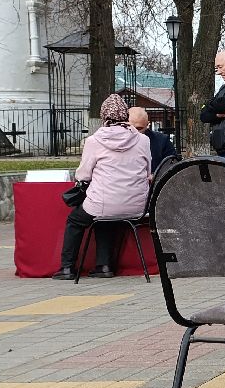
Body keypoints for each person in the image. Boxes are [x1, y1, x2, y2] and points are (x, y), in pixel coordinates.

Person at [53, 94, 151, 281]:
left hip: (103, 203)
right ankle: (103, 266)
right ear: (125, 115)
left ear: (104, 116)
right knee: (105, 218)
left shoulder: (94, 141)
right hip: (137, 206)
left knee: (76, 220)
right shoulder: (143, 140)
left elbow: (83, 175)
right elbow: (148, 170)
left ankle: (67, 268)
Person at [128, 107, 178, 175]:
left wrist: (155, 176)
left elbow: (172, 166)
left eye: (139, 129)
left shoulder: (162, 141)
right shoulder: (118, 142)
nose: (135, 132)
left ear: (147, 125)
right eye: (131, 128)